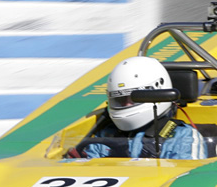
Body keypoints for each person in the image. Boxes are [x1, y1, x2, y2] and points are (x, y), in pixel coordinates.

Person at [73, 56, 208, 160]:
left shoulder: (182, 136)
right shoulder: (105, 135)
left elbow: (186, 181)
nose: (126, 104)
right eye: (120, 99)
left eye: (132, 98)